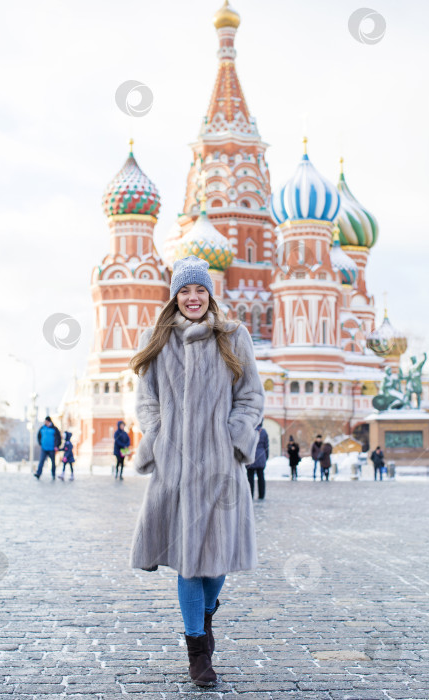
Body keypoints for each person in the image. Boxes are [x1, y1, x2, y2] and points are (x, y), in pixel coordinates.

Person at [129, 255, 264, 687]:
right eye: (185, 290)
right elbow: (146, 400)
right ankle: (198, 652)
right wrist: (158, 436)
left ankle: (206, 616)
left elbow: (251, 397)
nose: (192, 297)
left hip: (222, 470)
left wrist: (234, 437)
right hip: (176, 470)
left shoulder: (233, 336)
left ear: (209, 294)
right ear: (175, 297)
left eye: (199, 290)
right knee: (189, 564)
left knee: (216, 564)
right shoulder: (157, 339)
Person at [246, 422, 269, 500]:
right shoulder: (264, 432)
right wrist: (266, 457)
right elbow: (266, 446)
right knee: (261, 477)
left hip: (250, 455)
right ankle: (261, 495)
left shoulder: (249, 431)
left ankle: (250, 494)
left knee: (250, 477)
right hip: (261, 456)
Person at [34, 416, 61, 481]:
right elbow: (39, 436)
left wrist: (57, 446)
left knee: (53, 463)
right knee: (41, 461)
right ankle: (38, 473)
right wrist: (41, 443)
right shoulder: (42, 428)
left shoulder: (54, 429)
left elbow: (58, 438)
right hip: (44, 448)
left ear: (49, 421)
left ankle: (53, 474)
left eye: (46, 421)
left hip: (52, 448)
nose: (44, 422)